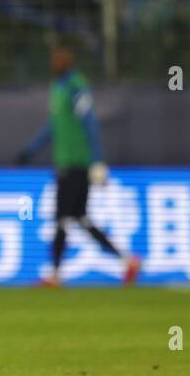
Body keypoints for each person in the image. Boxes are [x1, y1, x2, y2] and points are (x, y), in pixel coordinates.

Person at [15, 38, 140, 287]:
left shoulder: (76, 86)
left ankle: (54, 274)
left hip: (77, 164)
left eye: (59, 58)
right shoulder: (59, 87)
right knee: (81, 218)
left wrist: (96, 161)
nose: (54, 62)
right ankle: (127, 260)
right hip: (65, 162)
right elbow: (54, 126)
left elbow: (90, 123)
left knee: (62, 217)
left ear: (68, 60)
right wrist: (31, 150)